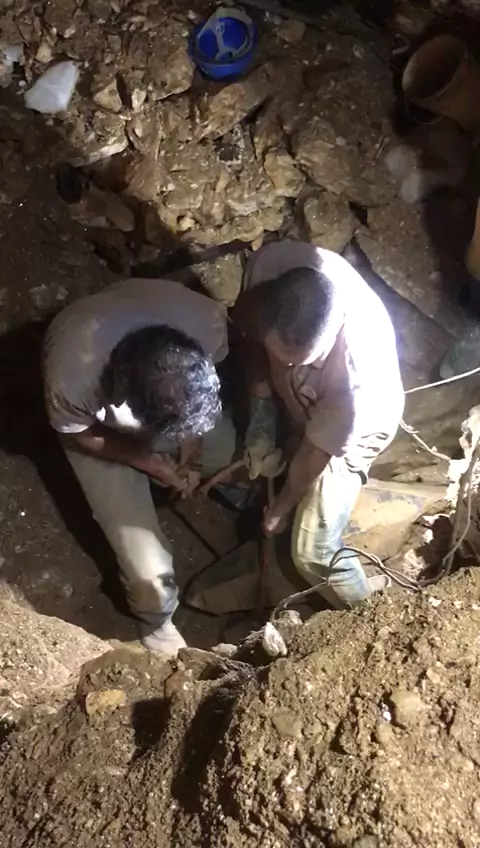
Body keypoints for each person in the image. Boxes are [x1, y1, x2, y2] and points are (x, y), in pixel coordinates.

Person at [43, 277, 235, 654]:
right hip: (96, 434)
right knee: (150, 573)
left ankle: (214, 477)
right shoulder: (71, 377)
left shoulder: (204, 322)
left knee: (227, 450)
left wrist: (191, 452)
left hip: (159, 401)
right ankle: (156, 623)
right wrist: (152, 464)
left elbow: (191, 409)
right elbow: (82, 435)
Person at [233, 241, 405, 610]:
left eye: (299, 361)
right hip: (312, 402)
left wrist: (281, 508)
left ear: (333, 330)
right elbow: (249, 336)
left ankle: (370, 616)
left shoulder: (356, 388)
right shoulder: (272, 266)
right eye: (278, 354)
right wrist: (262, 414)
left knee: (312, 551)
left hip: (358, 429)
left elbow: (316, 453)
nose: (286, 365)